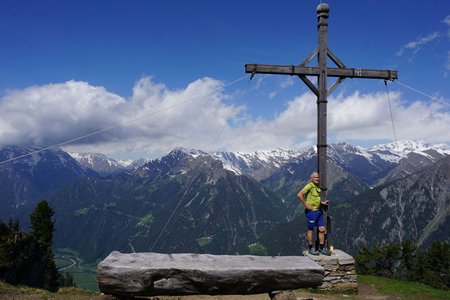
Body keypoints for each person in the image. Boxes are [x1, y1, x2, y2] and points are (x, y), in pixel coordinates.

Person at [297, 171, 331, 256]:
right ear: (311, 178)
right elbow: (299, 195)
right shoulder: (309, 186)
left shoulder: (317, 186)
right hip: (311, 212)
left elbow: (315, 198)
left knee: (322, 229)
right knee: (311, 229)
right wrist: (306, 205)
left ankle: (322, 249)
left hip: (318, 211)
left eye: (317, 177)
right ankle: (310, 248)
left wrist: (322, 203)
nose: (316, 179)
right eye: (315, 177)